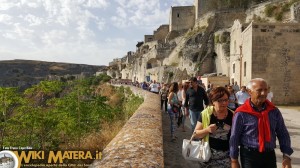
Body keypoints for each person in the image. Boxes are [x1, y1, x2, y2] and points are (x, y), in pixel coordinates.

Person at [230, 78, 293, 168]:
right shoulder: (241, 113)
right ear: (249, 92)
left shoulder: (274, 111)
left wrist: (286, 156)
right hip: (249, 156)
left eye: (265, 90)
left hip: (269, 155)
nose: (263, 93)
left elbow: (283, 133)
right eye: (259, 90)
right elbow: (234, 137)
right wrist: (234, 160)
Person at [194, 87, 233, 168]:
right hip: (207, 157)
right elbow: (196, 134)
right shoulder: (205, 114)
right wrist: (207, 130)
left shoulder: (233, 115)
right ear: (213, 102)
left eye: (226, 100)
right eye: (220, 100)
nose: (224, 103)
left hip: (226, 158)